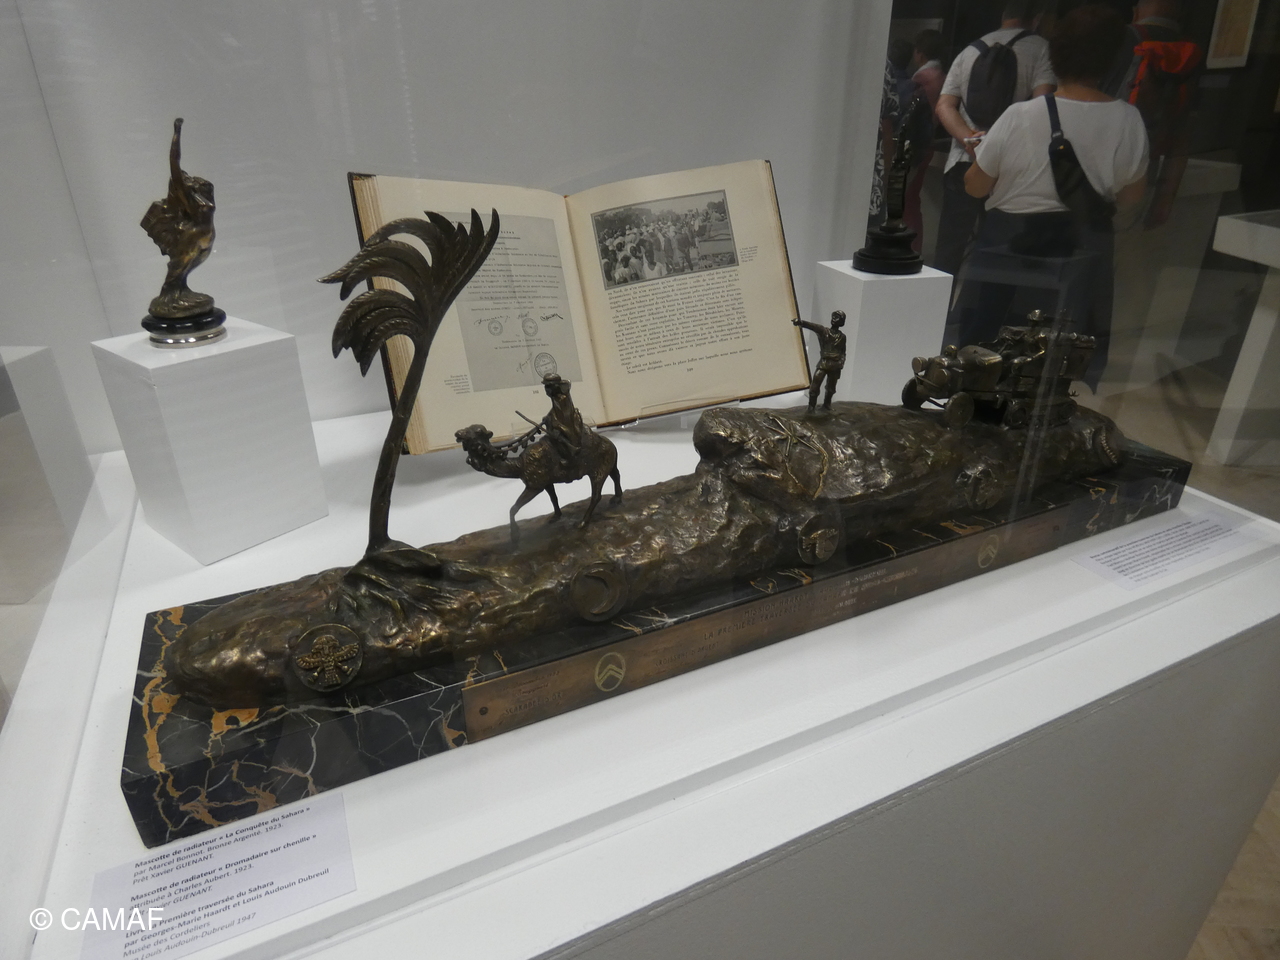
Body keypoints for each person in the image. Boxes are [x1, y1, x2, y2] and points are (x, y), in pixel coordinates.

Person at [957, 3, 1149, 389]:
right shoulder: (1128, 120)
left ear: (1055, 53)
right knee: (1062, 361)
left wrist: (982, 156)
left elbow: (975, 186)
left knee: (983, 351)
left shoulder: (1019, 116)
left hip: (1006, 244)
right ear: (1113, 59)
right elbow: (1131, 197)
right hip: (1081, 245)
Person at [934, 1, 1057, 284]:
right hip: (1009, 170)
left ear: (1004, 15)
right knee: (997, 256)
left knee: (948, 251)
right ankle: (978, 310)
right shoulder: (1041, 49)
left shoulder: (969, 50)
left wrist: (970, 139)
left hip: (963, 161)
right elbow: (1042, 107)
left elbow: (944, 105)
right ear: (1036, 18)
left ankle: (936, 308)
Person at [1100, 0, 1199, 229]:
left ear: (1136, 11)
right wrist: (1165, 199)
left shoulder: (1117, 38)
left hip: (1098, 170)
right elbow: (1182, 134)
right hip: (1145, 175)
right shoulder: (1187, 54)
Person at [904, 29, 948, 252]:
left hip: (916, 145)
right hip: (930, 142)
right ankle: (914, 247)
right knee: (913, 199)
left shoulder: (921, 78)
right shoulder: (942, 75)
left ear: (919, 52)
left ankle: (909, 248)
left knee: (907, 200)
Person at [793, 311, 847, 413]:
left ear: (842, 322)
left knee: (831, 388)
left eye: (837, 317)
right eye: (833, 316)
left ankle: (827, 405)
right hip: (823, 363)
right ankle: (811, 407)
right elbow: (813, 326)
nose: (834, 319)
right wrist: (800, 322)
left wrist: (842, 362)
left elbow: (843, 352)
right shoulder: (824, 331)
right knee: (815, 386)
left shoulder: (842, 337)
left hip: (836, 365)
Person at [541, 373, 583, 464]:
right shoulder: (555, 396)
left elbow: (564, 414)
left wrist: (556, 425)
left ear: (555, 386)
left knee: (558, 436)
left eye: (548, 387)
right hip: (560, 420)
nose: (546, 390)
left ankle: (570, 457)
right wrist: (548, 417)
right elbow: (555, 410)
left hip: (567, 422)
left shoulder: (562, 398)